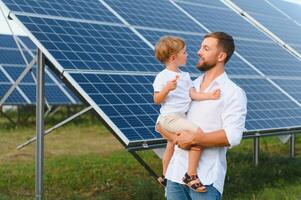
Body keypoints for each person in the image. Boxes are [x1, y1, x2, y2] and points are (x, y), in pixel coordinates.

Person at [157, 32, 247, 200]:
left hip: (206, 180)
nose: (198, 52)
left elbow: (232, 136)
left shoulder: (233, 93)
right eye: (200, 47)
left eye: (205, 48)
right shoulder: (188, 84)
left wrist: (194, 139)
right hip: (175, 174)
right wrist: (172, 136)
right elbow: (166, 116)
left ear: (221, 56)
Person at [153, 36, 221, 192]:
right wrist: (167, 89)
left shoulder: (185, 76)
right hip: (170, 118)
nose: (188, 55)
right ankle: (190, 174)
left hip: (179, 117)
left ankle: (165, 176)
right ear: (173, 57)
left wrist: (209, 96)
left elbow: (193, 94)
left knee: (171, 145)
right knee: (198, 136)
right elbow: (157, 99)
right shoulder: (162, 77)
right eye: (184, 52)